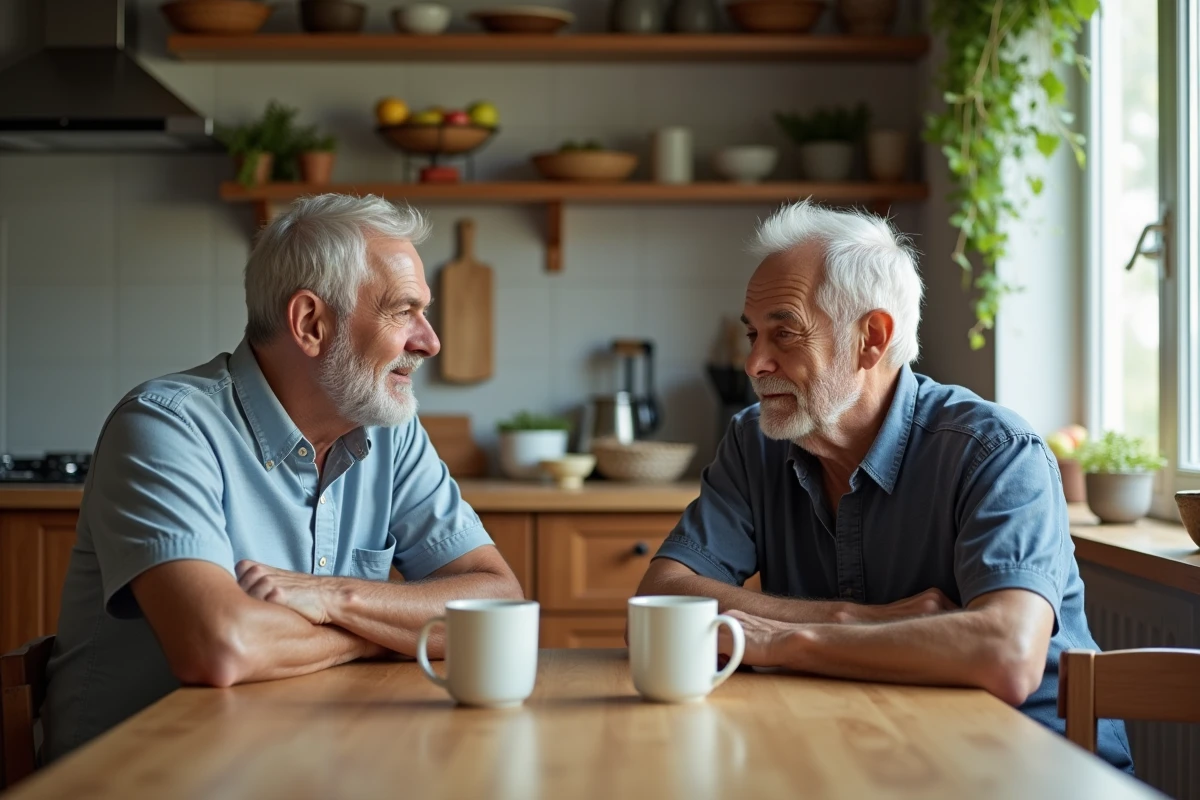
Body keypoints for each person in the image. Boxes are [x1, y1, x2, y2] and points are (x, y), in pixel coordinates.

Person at [635, 200, 1133, 771]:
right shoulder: (755, 442)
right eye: (753, 335)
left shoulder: (995, 452)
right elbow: (661, 600)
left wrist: (780, 639)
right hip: (874, 753)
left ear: (871, 338)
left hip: (1031, 770)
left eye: (784, 333)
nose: (753, 363)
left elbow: (1007, 655)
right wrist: (872, 620)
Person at [43, 194, 522, 760]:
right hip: (142, 776)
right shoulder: (166, 426)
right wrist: (381, 632)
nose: (429, 341)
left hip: (296, 762)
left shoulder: (389, 431)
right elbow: (218, 646)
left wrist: (333, 597)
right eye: (403, 311)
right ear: (310, 323)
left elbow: (499, 605)